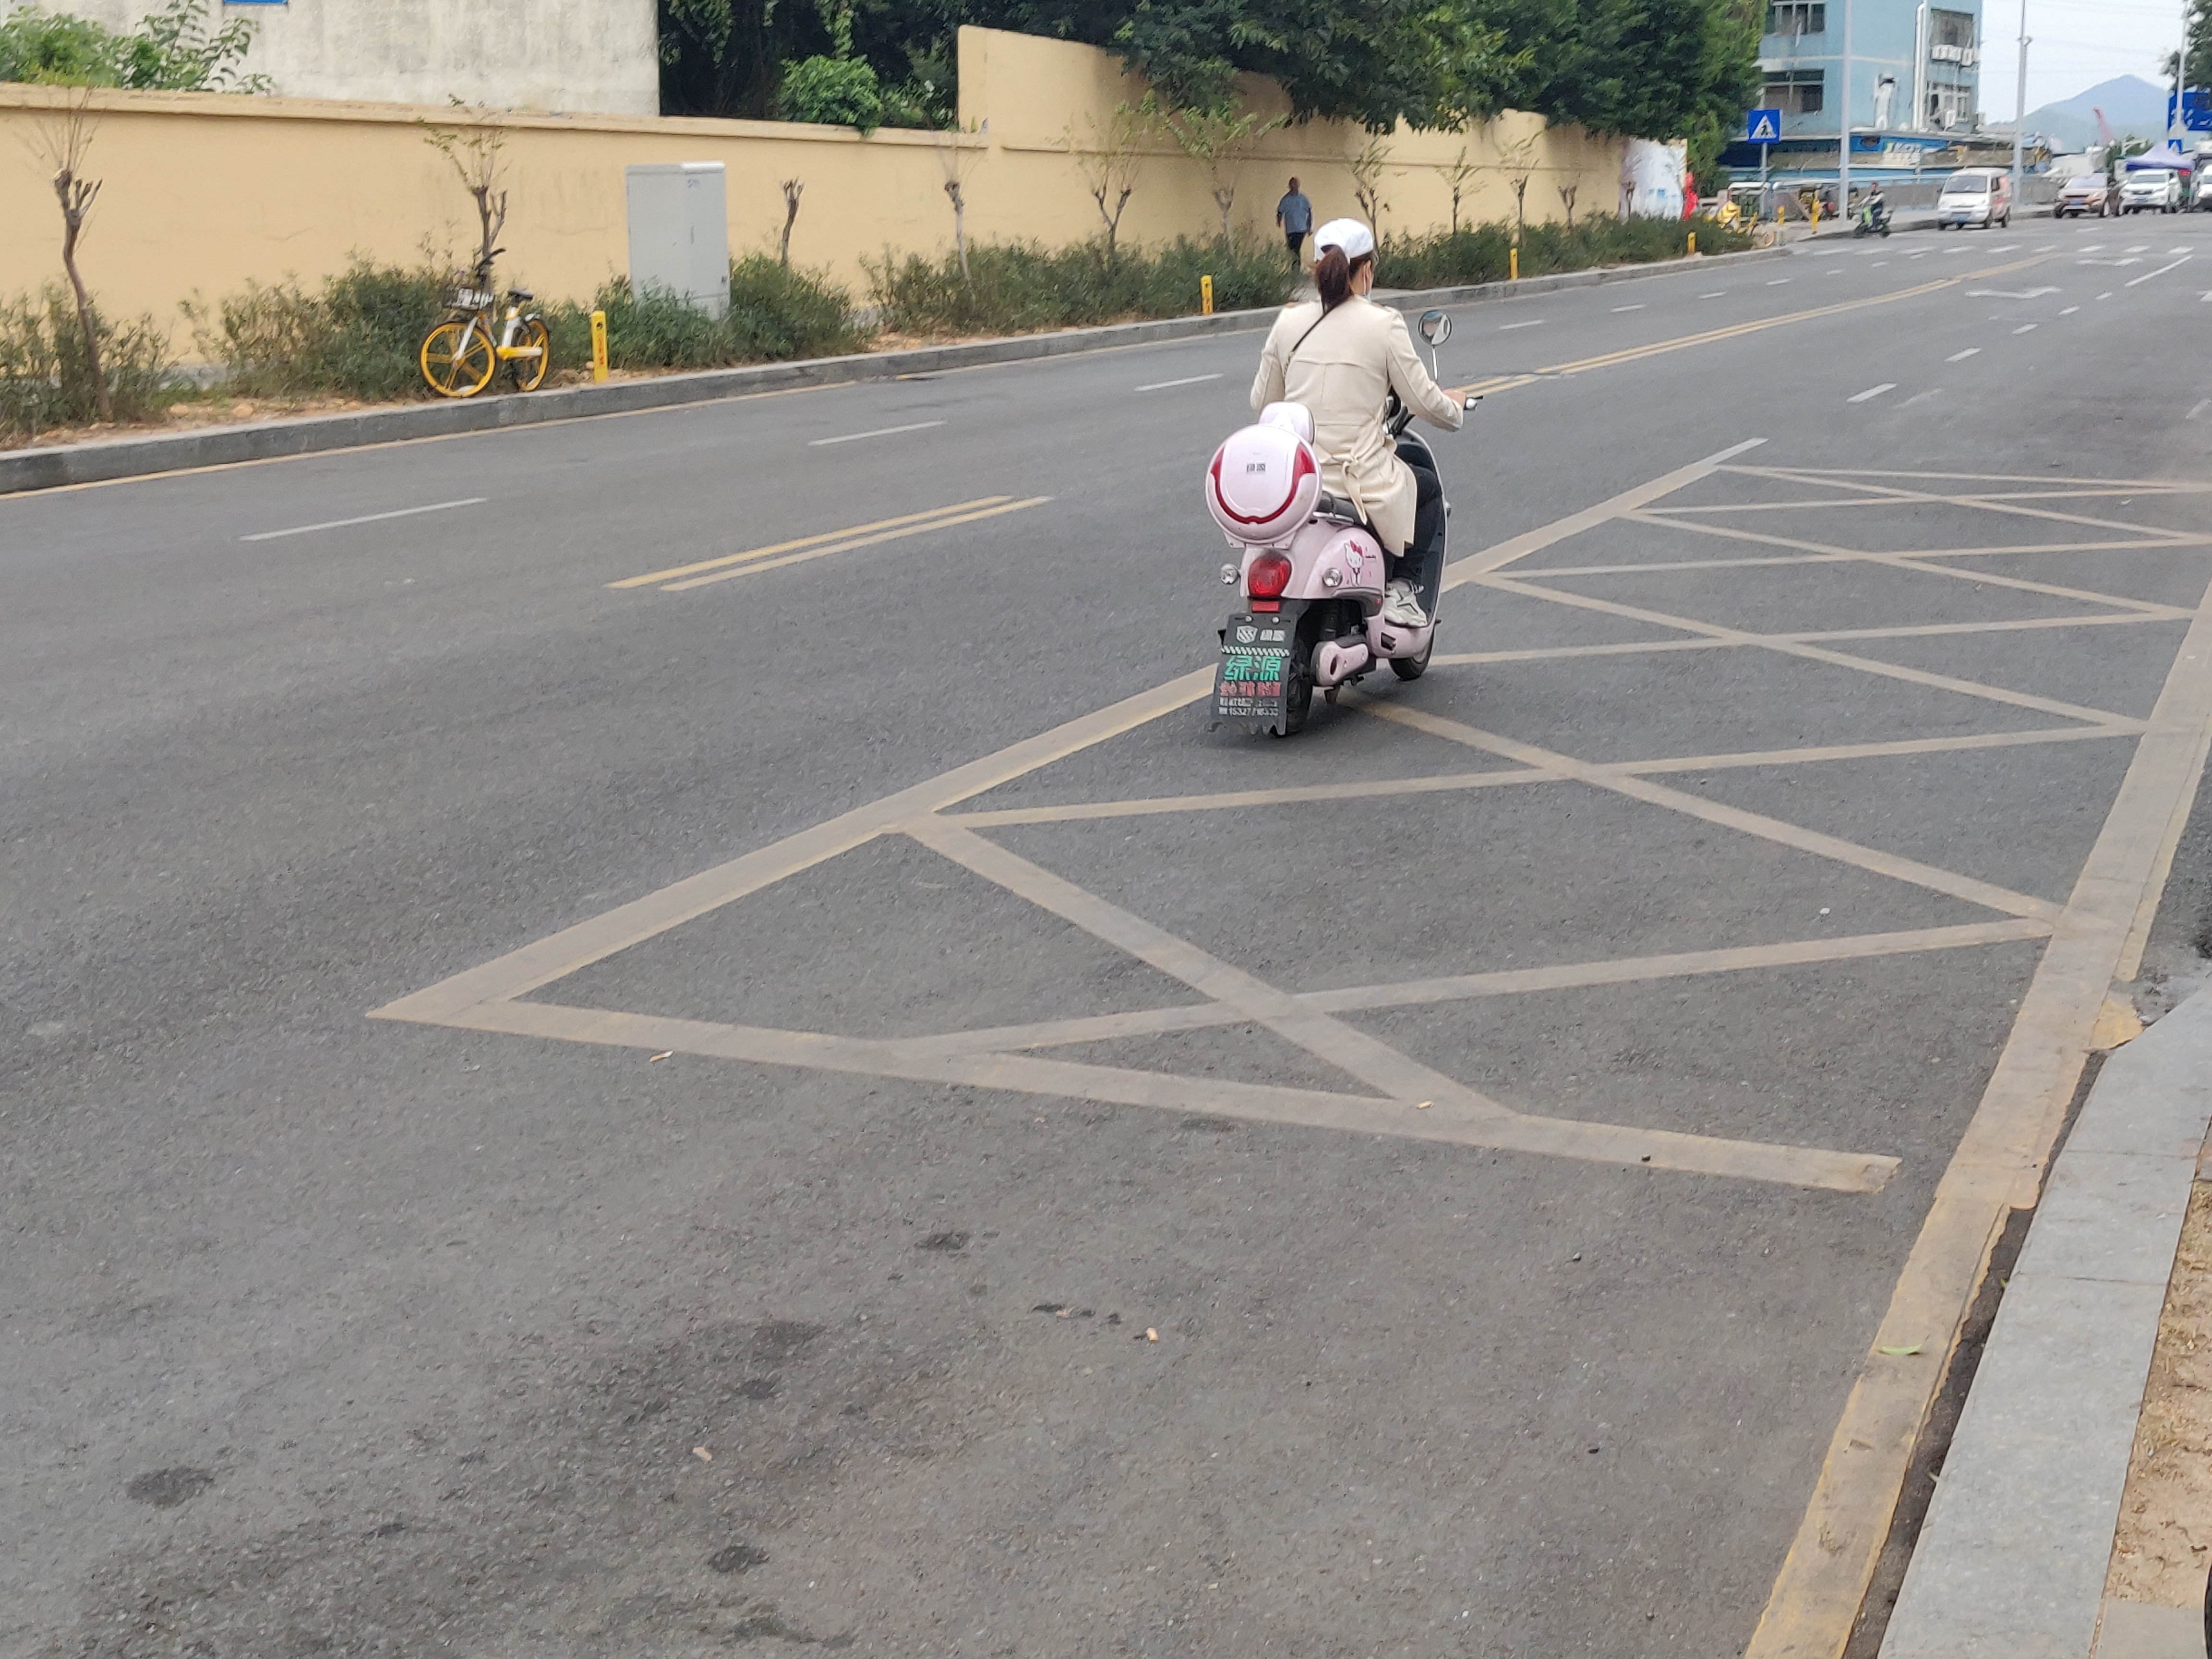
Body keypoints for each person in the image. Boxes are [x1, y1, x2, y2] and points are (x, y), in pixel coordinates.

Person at [1248, 217, 1463, 628]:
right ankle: (1402, 590)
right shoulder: (1383, 325)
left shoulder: (1288, 323)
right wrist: (1456, 407)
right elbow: (1424, 401)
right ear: (1366, 271)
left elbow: (1263, 401)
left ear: (1316, 269)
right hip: (1358, 481)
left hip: (1296, 480)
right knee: (1429, 490)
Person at [1275, 178, 1314, 264]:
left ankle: (1296, 269)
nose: (1294, 186)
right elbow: (1280, 212)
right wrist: (1279, 221)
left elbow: (1309, 213)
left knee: (1296, 249)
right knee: (1291, 250)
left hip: (1301, 229)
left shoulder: (1303, 199)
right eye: (1292, 184)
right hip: (1291, 229)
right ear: (1289, 186)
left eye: (1296, 184)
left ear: (1298, 185)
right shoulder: (1286, 199)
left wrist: (1310, 227)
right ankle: (1294, 268)